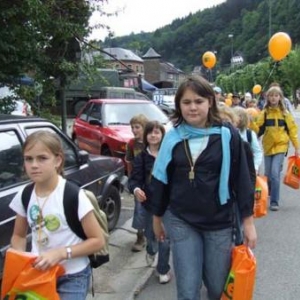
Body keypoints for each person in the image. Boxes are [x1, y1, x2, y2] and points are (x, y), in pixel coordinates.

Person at [150, 75, 257, 300]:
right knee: (188, 290)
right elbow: (160, 180)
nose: (192, 107)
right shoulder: (172, 138)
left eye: (198, 101)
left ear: (210, 102)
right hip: (181, 219)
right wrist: (157, 217)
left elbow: (242, 180)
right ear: (179, 105)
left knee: (217, 287)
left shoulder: (228, 136)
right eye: (186, 102)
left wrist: (248, 223)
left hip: (219, 220)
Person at [9, 130, 105, 300]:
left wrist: (60, 253)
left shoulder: (73, 195)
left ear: (58, 160)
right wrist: (21, 258)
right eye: (28, 159)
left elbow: (97, 241)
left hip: (72, 276)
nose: (34, 165)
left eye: (42, 158)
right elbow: (18, 235)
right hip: (38, 274)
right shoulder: (24, 195)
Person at [128, 120, 171, 284]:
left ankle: (162, 269)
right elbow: (134, 180)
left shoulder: (169, 155)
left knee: (165, 238)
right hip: (149, 204)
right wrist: (137, 190)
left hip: (168, 204)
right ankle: (151, 250)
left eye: (157, 132)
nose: (153, 135)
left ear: (162, 135)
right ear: (146, 136)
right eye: (150, 132)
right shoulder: (141, 158)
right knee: (151, 236)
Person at [250, 86, 299, 211]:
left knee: (274, 173)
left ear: (280, 97)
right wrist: (251, 121)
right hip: (267, 146)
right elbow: (257, 129)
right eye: (271, 95)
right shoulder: (264, 113)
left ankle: (274, 201)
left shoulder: (285, 114)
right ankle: (269, 191)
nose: (273, 98)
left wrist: (297, 147)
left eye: (276, 95)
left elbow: (292, 131)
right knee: (268, 174)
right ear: (267, 97)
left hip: (281, 146)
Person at [125, 114, 148, 252]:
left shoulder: (151, 141)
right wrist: (130, 179)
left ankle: (152, 234)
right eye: (132, 127)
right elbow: (129, 162)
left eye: (137, 127)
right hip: (138, 181)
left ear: (144, 127)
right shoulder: (132, 144)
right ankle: (140, 236)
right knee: (139, 209)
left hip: (151, 180)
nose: (134, 130)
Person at [233, 106, 263, 173]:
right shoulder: (228, 132)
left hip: (247, 170)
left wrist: (255, 167)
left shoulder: (249, 134)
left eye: (239, 116)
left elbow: (257, 152)